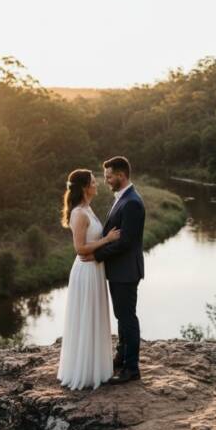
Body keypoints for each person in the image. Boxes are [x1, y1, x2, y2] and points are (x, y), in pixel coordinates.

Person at [81, 156, 145, 384]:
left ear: (121, 175)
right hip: (119, 269)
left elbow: (125, 242)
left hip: (126, 270)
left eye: (109, 176)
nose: (106, 180)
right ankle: (121, 354)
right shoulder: (123, 199)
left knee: (127, 317)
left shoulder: (133, 203)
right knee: (121, 315)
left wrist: (96, 255)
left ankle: (132, 368)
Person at [56, 169, 120, 390]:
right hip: (86, 271)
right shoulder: (79, 214)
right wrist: (108, 239)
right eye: (94, 182)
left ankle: (96, 366)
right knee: (86, 317)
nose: (97, 184)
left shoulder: (87, 209)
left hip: (95, 270)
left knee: (94, 315)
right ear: (85, 188)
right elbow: (80, 249)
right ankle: (83, 371)